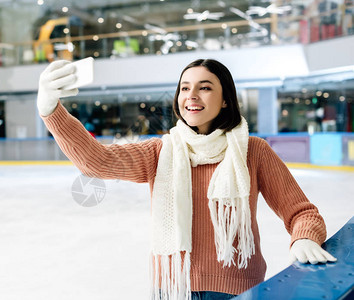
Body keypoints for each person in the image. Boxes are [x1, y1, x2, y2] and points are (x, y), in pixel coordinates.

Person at [36, 59, 337, 300]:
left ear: (225, 101)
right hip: (172, 289)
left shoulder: (252, 151)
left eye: (204, 88)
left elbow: (301, 212)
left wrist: (304, 237)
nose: (191, 95)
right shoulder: (159, 152)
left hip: (239, 291)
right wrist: (50, 110)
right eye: (184, 88)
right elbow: (96, 161)